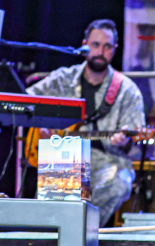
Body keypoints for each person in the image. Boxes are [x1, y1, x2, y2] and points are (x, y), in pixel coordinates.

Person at [27, 19, 146, 227]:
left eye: (107, 46)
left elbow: (134, 137)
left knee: (120, 183)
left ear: (115, 49)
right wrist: (42, 123)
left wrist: (124, 140)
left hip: (107, 160)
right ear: (84, 45)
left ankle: (79, 231)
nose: (101, 52)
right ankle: (55, 233)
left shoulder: (127, 90)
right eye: (95, 45)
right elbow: (26, 99)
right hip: (65, 156)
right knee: (51, 202)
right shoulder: (63, 79)